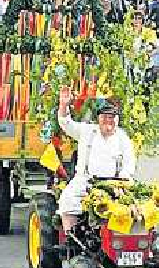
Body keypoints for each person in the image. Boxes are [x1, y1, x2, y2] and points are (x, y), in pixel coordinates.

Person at [57, 88, 135, 233]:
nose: (108, 121)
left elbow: (129, 165)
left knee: (133, 208)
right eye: (104, 117)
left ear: (117, 119)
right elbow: (66, 123)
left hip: (114, 184)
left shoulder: (123, 138)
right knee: (67, 199)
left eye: (112, 117)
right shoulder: (87, 131)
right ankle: (72, 237)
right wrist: (64, 105)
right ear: (98, 119)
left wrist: (122, 182)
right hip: (86, 182)